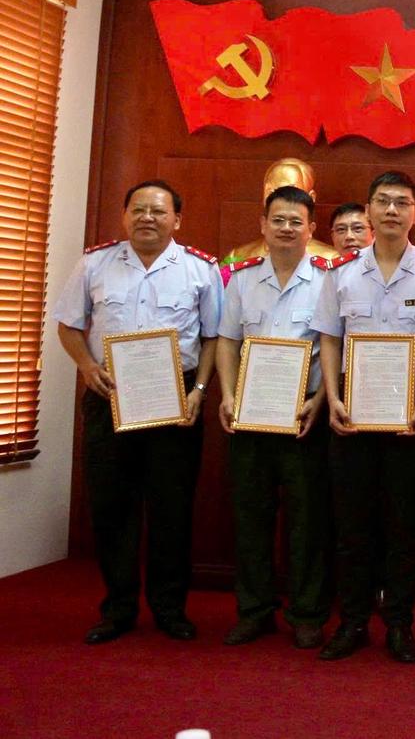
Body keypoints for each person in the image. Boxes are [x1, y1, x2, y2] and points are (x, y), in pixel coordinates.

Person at [55, 179, 222, 644]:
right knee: (112, 505)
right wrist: (86, 366)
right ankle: (118, 608)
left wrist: (200, 390)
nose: (148, 218)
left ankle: (170, 608)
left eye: (158, 211)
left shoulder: (200, 270)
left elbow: (213, 337)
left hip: (176, 397)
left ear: (177, 220)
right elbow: (68, 325)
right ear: (125, 216)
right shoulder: (95, 264)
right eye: (139, 210)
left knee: (172, 507)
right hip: (109, 393)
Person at [311, 171, 415, 664]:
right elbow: (329, 338)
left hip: (409, 403)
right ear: (369, 211)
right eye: (383, 201)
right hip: (352, 401)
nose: (391, 210)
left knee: (402, 521)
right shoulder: (341, 272)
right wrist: (333, 397)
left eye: (401, 203)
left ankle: (398, 622)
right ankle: (352, 620)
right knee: (351, 520)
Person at [213, 185, 333, 652]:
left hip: (304, 415)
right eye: (278, 220)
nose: (286, 228)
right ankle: (254, 610)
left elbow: (336, 348)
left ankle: (307, 613)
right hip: (250, 415)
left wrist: (320, 401)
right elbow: (227, 341)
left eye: (295, 221)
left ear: (311, 229)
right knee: (251, 516)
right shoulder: (241, 280)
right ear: (263, 225)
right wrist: (227, 395)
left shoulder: (327, 281)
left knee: (307, 520)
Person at [222, 158, 338, 267]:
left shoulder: (330, 260)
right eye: (270, 191)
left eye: (289, 191)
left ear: (311, 198)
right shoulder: (238, 257)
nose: (278, 198)